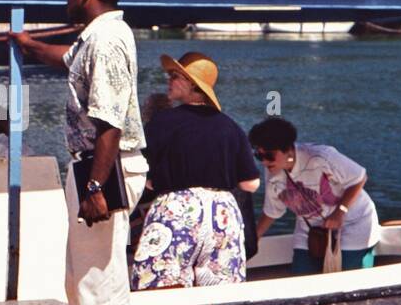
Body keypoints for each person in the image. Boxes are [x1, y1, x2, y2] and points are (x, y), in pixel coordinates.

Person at [10, 0, 147, 305]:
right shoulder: (94, 38)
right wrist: (29, 45)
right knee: (79, 279)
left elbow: (109, 122)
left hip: (105, 166)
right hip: (91, 165)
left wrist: (94, 185)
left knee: (101, 282)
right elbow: (67, 61)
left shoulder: (106, 41)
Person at [130, 52, 260, 290]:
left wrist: (156, 183)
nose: (168, 80)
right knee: (221, 292)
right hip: (222, 214)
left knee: (159, 287)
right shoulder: (230, 126)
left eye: (174, 76)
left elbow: (140, 172)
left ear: (191, 83)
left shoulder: (162, 122)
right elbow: (251, 184)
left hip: (178, 210)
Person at [248, 117, 381, 272]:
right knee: (301, 275)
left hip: (354, 222)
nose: (264, 162)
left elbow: (359, 177)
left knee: (351, 278)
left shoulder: (321, 157)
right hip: (311, 229)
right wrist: (254, 237)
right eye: (259, 156)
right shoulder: (273, 169)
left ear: (289, 150)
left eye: (269, 156)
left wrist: (340, 212)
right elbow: (273, 210)